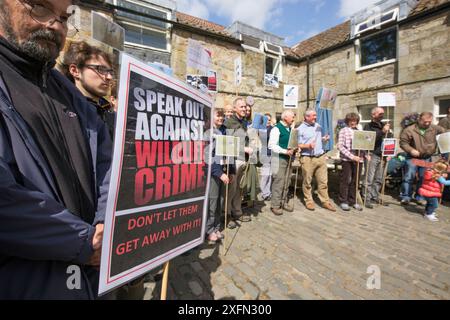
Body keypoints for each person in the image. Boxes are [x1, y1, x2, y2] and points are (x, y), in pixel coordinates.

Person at [0, 0, 111, 299]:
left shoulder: (68, 93)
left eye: (64, 16)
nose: (56, 25)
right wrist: (83, 243)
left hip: (91, 277)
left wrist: (105, 221)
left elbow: (106, 164)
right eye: (40, 7)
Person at [61, 41, 116, 139]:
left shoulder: (108, 111)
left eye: (110, 72)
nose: (109, 77)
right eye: (101, 69)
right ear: (75, 71)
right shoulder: (64, 110)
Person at [399, 112, 446, 205]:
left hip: (426, 158)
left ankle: (419, 197)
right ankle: (406, 196)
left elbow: (446, 133)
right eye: (425, 122)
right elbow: (403, 142)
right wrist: (411, 150)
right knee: (409, 177)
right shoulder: (409, 130)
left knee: (424, 178)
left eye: (429, 121)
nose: (427, 124)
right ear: (419, 120)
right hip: (413, 158)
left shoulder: (434, 128)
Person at [297, 109, 336, 212]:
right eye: (313, 116)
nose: (315, 117)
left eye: (315, 115)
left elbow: (318, 139)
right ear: (306, 117)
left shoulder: (318, 126)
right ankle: (309, 201)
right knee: (307, 181)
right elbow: (297, 145)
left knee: (323, 181)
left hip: (320, 157)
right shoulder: (300, 129)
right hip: (307, 158)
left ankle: (325, 202)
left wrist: (324, 139)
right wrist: (307, 145)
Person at [224, 97, 253, 228]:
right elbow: (227, 144)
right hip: (233, 161)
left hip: (244, 160)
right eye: (241, 107)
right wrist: (244, 148)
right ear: (235, 108)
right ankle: (226, 215)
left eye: (245, 107)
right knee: (230, 189)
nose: (244, 109)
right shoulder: (229, 123)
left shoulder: (245, 122)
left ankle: (237, 212)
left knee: (239, 189)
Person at [207, 108, 234, 241]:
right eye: (218, 116)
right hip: (213, 173)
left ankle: (217, 227)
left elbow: (230, 153)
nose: (221, 119)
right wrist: (219, 173)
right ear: (212, 117)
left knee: (221, 201)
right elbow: (208, 156)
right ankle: (209, 229)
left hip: (225, 170)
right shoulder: (208, 132)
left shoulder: (225, 131)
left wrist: (232, 170)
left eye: (222, 117)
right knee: (213, 201)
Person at [337, 113, 368, 212]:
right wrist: (352, 156)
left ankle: (353, 201)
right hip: (347, 159)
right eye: (351, 121)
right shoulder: (343, 131)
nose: (353, 122)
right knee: (346, 180)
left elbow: (364, 145)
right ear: (348, 121)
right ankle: (343, 201)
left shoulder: (360, 131)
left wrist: (366, 154)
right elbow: (340, 147)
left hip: (359, 159)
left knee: (355, 181)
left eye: (355, 120)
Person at [363, 107, 393, 208]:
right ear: (373, 115)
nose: (382, 115)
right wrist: (382, 132)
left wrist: (389, 153)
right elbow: (369, 140)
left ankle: (374, 197)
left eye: (383, 114)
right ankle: (366, 198)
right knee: (369, 178)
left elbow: (389, 140)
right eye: (380, 114)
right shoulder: (368, 126)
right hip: (372, 154)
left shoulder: (385, 125)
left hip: (383, 155)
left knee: (379, 179)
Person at [268, 110, 296, 215]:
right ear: (285, 118)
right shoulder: (276, 129)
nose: (293, 119)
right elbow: (272, 145)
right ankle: (275, 205)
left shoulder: (290, 129)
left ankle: (283, 202)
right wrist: (285, 151)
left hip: (288, 158)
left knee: (287, 181)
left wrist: (295, 149)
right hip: (279, 158)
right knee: (279, 182)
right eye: (292, 117)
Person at [258, 113, 273, 201]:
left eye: (269, 120)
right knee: (265, 174)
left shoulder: (273, 129)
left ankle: (268, 192)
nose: (268, 121)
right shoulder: (260, 129)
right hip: (265, 154)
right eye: (266, 119)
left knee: (270, 174)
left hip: (272, 154)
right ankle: (264, 192)